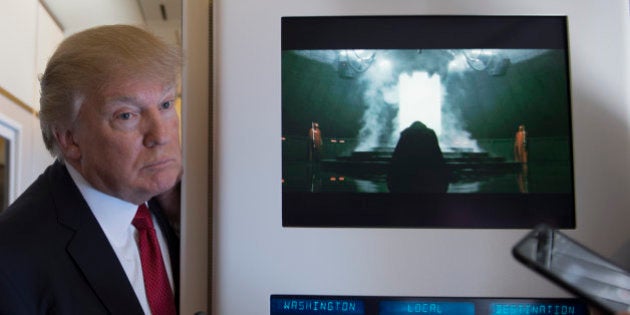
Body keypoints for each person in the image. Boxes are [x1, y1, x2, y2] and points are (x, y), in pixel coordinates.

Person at [0, 25, 182, 314]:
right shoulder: (12, 261)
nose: (160, 135)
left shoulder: (170, 203)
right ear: (70, 139)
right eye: (126, 115)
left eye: (165, 104)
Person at [387, 121, 449, 193]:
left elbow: (397, 156)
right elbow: (437, 156)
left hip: (406, 179)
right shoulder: (430, 134)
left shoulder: (406, 134)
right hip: (428, 180)